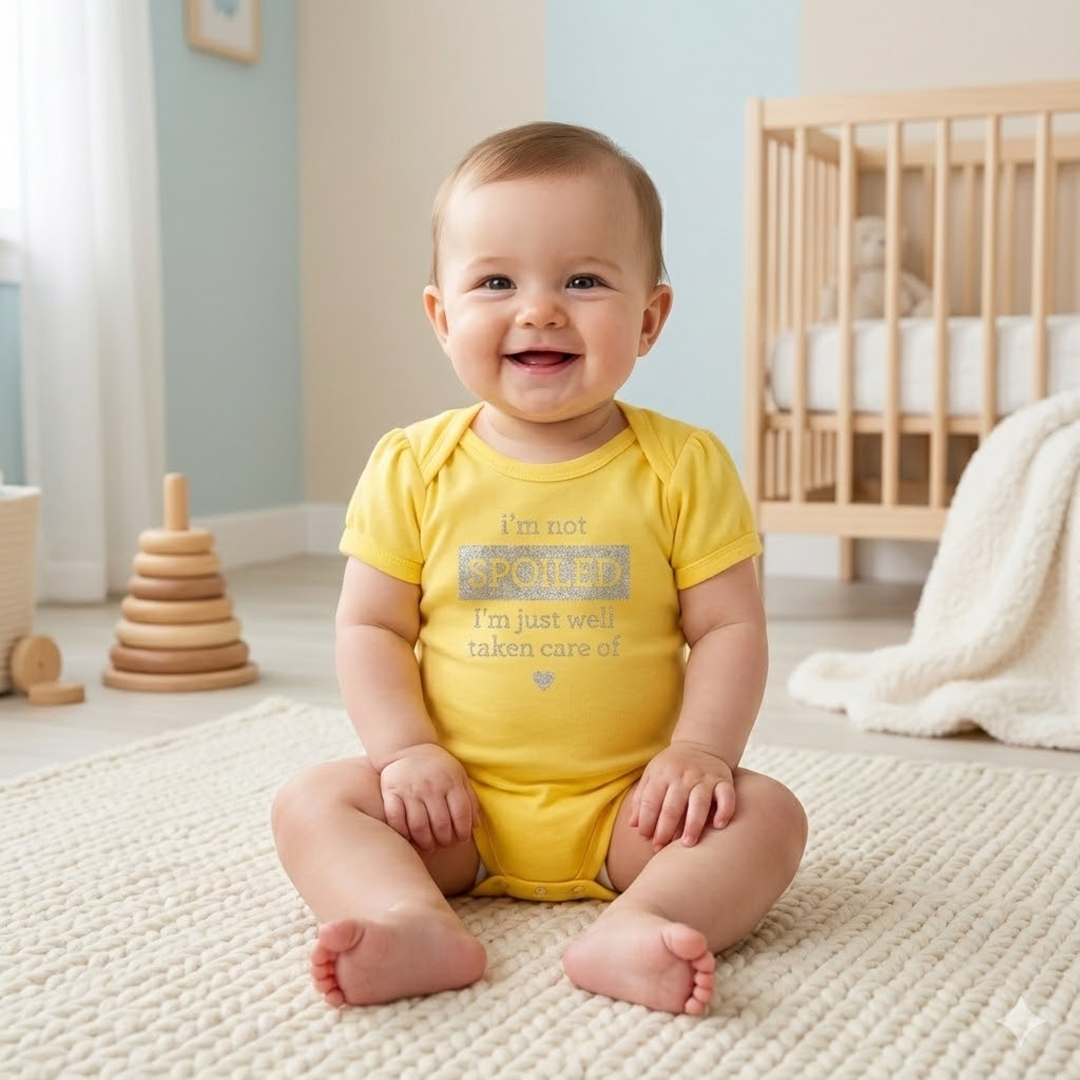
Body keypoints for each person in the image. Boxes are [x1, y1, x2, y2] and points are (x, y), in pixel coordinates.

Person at [271, 121, 807, 1016]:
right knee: (310, 802)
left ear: (649, 317)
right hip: (451, 810)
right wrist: (404, 754)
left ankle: (645, 920)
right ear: (443, 316)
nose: (540, 309)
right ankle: (408, 918)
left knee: (771, 815)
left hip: (635, 812)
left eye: (584, 280)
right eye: (495, 282)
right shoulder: (412, 465)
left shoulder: (683, 464)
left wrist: (701, 754)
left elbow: (729, 627)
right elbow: (371, 627)